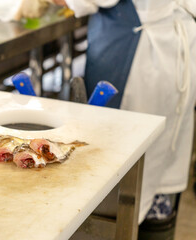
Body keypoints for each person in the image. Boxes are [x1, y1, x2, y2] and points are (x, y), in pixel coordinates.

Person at [21, 0, 196, 226]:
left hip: (139, 54)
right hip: (173, 45)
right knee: (156, 159)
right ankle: (150, 219)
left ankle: (123, 223)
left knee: (120, 168)